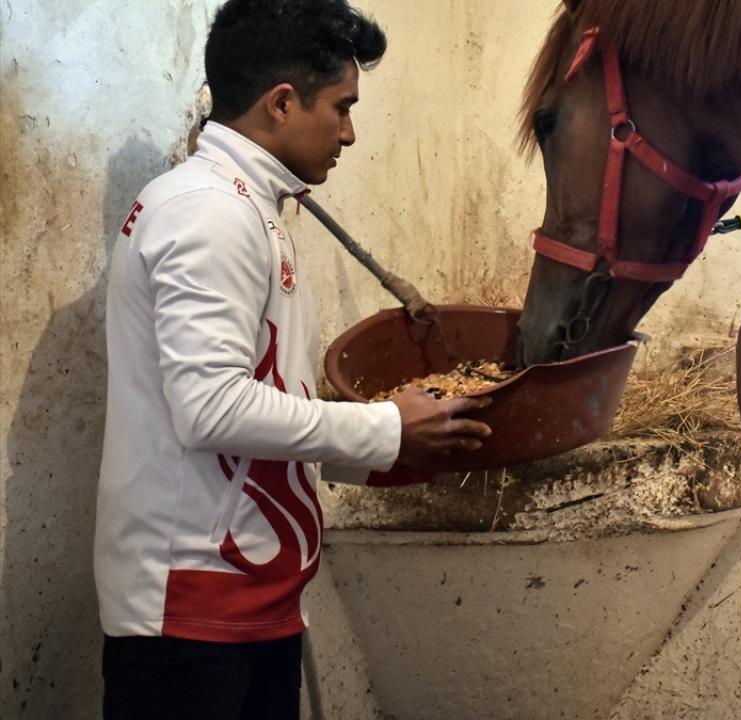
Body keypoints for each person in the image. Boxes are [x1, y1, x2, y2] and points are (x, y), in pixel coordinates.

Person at [94, 1, 491, 718]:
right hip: (193, 607)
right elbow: (210, 409)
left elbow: (268, 407)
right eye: (340, 107)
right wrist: (385, 429)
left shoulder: (251, 208)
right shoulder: (208, 213)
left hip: (244, 591)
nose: (350, 132)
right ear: (281, 103)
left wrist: (412, 444)